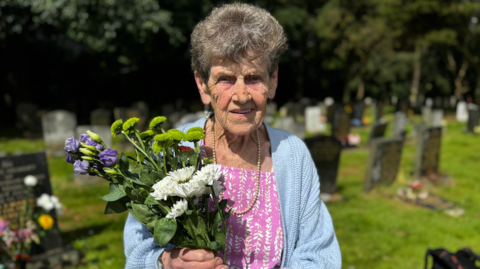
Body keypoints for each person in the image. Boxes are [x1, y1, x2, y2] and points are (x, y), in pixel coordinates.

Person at [124, 3, 341, 269]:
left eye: (253, 78)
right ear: (202, 86)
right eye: (225, 79)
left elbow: (318, 254)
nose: (241, 95)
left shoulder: (293, 154)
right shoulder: (171, 149)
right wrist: (165, 262)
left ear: (273, 80)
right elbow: (137, 248)